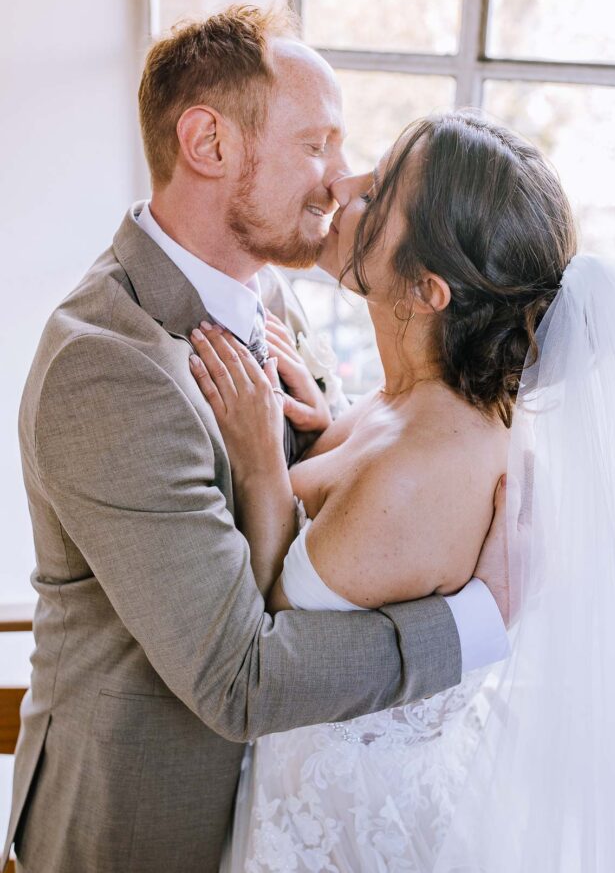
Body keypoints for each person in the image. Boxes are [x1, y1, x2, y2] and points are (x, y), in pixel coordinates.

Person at [2, 7, 510, 873]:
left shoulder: (264, 293)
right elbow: (239, 676)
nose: (341, 181)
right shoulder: (107, 368)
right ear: (208, 142)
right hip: (145, 831)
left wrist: (333, 427)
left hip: (276, 813)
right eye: (317, 145)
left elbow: (292, 515)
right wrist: (473, 625)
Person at [189, 110, 580, 870]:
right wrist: (329, 419)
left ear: (427, 289)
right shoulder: (414, 398)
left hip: (344, 834)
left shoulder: (421, 470)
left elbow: (273, 627)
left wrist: (260, 460)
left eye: (380, 189)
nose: (344, 183)